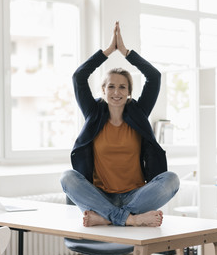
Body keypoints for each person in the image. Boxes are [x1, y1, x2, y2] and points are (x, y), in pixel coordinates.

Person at [60, 21, 180, 227]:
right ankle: (131, 219)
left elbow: (154, 76)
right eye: (111, 87)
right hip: (100, 195)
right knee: (67, 178)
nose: (117, 92)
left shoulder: (139, 113)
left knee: (172, 180)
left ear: (129, 92)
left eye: (122, 87)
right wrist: (107, 51)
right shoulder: (93, 113)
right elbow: (79, 77)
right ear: (103, 90)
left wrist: (125, 52)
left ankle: (107, 217)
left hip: (135, 196)